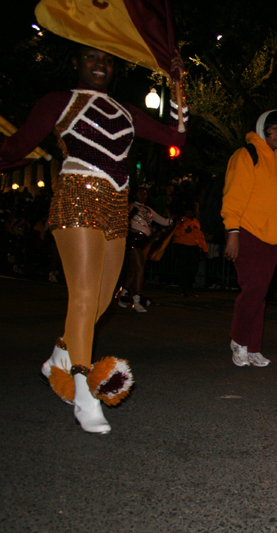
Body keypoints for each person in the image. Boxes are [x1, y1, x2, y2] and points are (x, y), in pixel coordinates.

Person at [0, 45, 187, 433]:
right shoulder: (59, 102)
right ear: (75, 62)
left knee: (102, 300)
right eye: (90, 58)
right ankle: (82, 391)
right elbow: (16, 147)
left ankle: (58, 355)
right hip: (77, 198)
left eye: (107, 59)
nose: (100, 65)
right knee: (84, 297)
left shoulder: (126, 111)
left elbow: (176, 136)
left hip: (116, 206)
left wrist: (177, 84)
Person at [221, 109, 277, 367]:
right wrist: (232, 233)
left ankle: (253, 348)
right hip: (246, 231)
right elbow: (233, 196)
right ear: (263, 128)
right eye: (275, 129)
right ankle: (238, 339)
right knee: (255, 288)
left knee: (261, 293)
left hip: (275, 237)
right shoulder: (246, 155)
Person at [118, 186, 173, 312]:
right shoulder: (130, 207)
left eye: (145, 194)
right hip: (133, 240)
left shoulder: (148, 209)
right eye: (140, 193)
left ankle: (123, 294)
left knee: (135, 270)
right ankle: (136, 300)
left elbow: (164, 221)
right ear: (134, 195)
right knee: (140, 268)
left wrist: (175, 219)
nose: (143, 196)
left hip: (144, 242)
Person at [172, 206, 208, 296]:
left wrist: (205, 249)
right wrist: (184, 230)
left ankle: (188, 287)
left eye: (191, 212)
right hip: (182, 246)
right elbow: (174, 233)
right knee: (183, 268)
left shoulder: (196, 222)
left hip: (193, 247)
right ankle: (183, 289)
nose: (189, 214)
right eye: (187, 212)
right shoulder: (181, 221)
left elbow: (200, 236)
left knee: (193, 268)